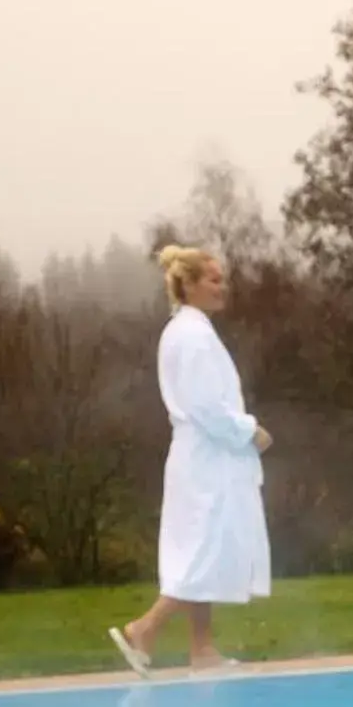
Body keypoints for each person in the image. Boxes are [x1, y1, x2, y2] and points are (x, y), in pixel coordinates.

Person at [108, 246, 273, 676]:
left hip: (200, 458)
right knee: (205, 552)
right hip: (208, 459)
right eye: (214, 280)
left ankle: (202, 649)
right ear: (191, 285)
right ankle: (144, 628)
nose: (222, 287)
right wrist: (248, 431)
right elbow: (206, 406)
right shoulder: (193, 336)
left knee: (204, 548)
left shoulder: (185, 331)